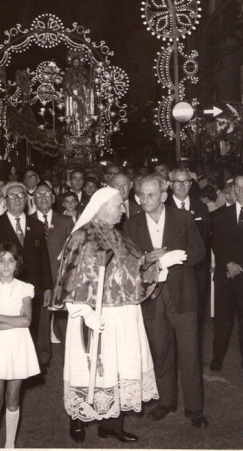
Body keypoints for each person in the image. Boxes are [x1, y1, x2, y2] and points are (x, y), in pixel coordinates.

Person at [52, 187, 177, 444]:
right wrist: (84, 313)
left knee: (118, 367)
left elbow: (135, 270)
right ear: (103, 206)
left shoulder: (118, 236)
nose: (123, 210)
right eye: (120, 205)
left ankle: (112, 424)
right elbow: (70, 280)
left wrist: (160, 266)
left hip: (123, 316)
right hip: (95, 316)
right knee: (91, 367)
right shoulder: (81, 237)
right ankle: (79, 418)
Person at [123, 174, 208, 429]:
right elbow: (128, 262)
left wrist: (174, 256)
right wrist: (149, 259)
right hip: (151, 297)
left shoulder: (183, 217)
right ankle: (166, 401)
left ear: (163, 195)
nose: (144, 199)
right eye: (140, 195)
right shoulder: (132, 224)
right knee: (161, 352)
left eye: (149, 194)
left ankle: (194, 408)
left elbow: (199, 251)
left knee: (190, 353)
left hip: (182, 295)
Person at [0, 243, 40, 448]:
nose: (6, 265)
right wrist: (11, 320)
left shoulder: (25, 288)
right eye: (1, 260)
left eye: (11, 260)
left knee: (13, 399)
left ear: (17, 264)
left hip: (17, 347)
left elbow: (26, 321)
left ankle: (9, 445)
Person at [0, 182, 52, 357]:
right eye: (12, 196)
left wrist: (47, 287)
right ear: (5, 201)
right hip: (6, 288)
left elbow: (44, 257)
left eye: (21, 196)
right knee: (9, 331)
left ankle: (27, 370)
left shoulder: (36, 225)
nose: (17, 200)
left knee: (31, 329)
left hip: (33, 287)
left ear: (27, 201)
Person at [31, 181, 74, 369]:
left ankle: (71, 358)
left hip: (61, 278)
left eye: (47, 194)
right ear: (33, 199)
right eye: (39, 195)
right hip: (39, 280)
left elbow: (73, 250)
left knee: (64, 322)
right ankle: (42, 360)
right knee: (41, 321)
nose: (43, 198)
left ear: (53, 197)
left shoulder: (65, 221)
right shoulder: (28, 221)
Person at [166, 168, 211, 345]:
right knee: (172, 311)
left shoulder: (200, 207)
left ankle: (191, 346)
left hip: (196, 268)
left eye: (185, 181)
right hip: (172, 270)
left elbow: (206, 238)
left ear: (191, 184)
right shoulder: (164, 207)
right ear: (170, 185)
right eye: (177, 181)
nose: (182, 185)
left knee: (194, 312)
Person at [210, 173, 243, 372]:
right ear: (232, 190)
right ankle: (217, 357)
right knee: (222, 320)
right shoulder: (220, 215)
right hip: (225, 276)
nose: (241, 191)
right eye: (237, 187)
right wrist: (227, 263)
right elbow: (215, 243)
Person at [64, 52, 89, 134]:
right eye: (74, 62)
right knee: (73, 111)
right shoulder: (69, 72)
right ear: (72, 63)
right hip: (72, 95)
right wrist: (71, 93)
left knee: (81, 110)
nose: (76, 64)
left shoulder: (83, 71)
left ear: (80, 63)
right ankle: (72, 128)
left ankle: (82, 128)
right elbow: (66, 84)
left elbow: (87, 82)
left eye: (77, 62)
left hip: (81, 94)